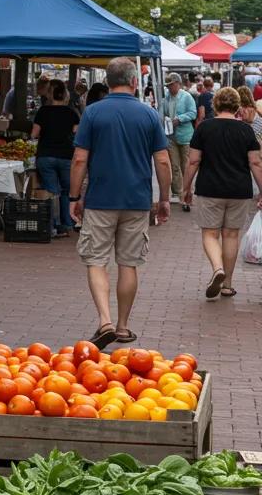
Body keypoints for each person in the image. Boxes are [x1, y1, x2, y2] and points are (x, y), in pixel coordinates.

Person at [68, 58, 170, 350]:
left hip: (101, 199)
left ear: (108, 81)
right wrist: (163, 198)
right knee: (129, 263)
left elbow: (79, 159)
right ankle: (123, 326)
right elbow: (162, 160)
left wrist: (74, 197)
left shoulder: (93, 113)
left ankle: (105, 321)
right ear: (134, 81)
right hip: (137, 201)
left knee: (96, 260)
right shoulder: (148, 114)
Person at [183, 86, 262, 300]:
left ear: (215, 104)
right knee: (231, 235)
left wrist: (185, 187)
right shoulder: (246, 130)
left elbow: (194, 160)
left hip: (210, 188)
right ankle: (227, 284)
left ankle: (217, 268)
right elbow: (255, 162)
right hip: (239, 189)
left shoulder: (204, 128)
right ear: (237, 106)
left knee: (210, 233)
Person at [32, 79, 80, 237]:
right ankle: (66, 224)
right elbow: (77, 134)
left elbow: (34, 134)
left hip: (45, 155)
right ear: (65, 94)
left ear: (49, 93)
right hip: (66, 155)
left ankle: (51, 225)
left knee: (51, 191)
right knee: (67, 191)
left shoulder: (43, 111)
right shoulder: (72, 113)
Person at [162, 72, 197, 213]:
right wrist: (165, 119)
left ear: (178, 83)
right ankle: (177, 193)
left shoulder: (186, 96)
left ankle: (187, 194)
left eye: (171, 85)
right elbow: (163, 112)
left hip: (185, 136)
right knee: (174, 166)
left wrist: (180, 118)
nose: (169, 88)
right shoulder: (166, 97)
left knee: (186, 166)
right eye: (168, 86)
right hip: (171, 136)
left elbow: (193, 113)